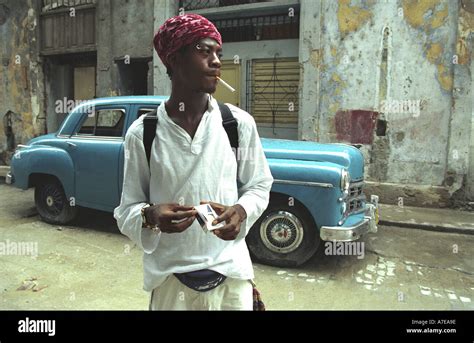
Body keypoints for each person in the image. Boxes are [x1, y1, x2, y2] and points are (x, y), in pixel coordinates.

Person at [113, 14, 273, 310]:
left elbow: (260, 184)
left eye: (218, 53)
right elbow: (126, 211)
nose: (216, 61)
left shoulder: (237, 124)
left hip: (231, 276)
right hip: (171, 282)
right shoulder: (143, 134)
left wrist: (241, 210)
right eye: (203, 51)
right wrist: (151, 216)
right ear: (173, 59)